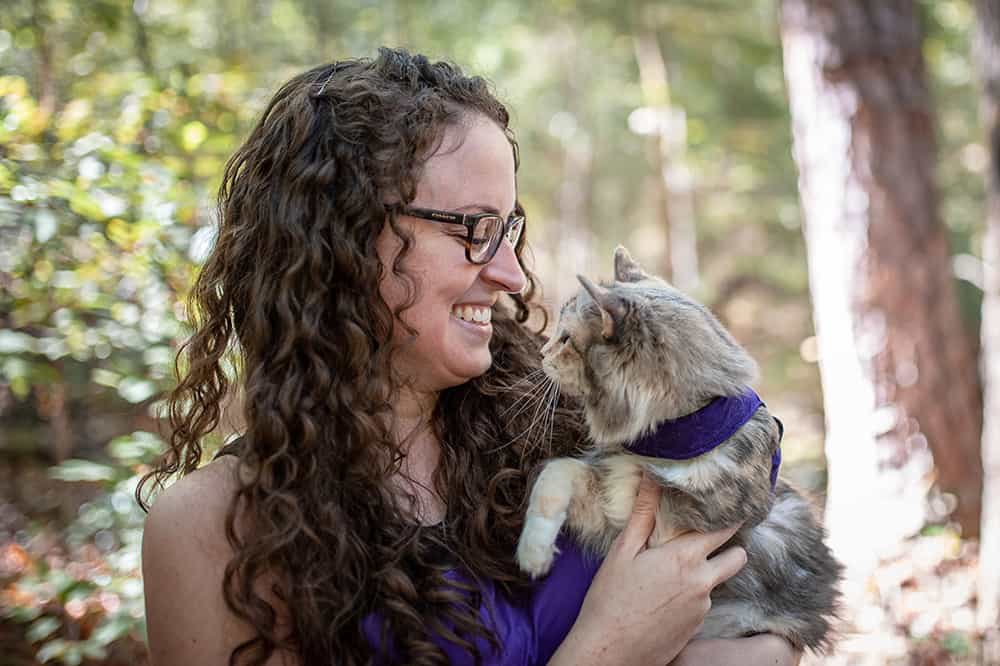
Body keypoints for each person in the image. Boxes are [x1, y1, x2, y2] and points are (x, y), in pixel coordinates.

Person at [139, 48, 802, 665]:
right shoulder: (214, 531)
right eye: (475, 231)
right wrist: (608, 649)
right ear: (343, 237)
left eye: (509, 228)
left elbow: (775, 595)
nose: (513, 275)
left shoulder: (569, 420)